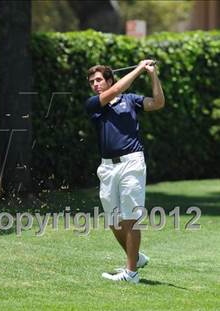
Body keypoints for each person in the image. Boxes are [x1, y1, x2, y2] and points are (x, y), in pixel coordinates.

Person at [85, 60, 165, 284]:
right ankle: (136, 258)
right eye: (92, 82)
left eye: (99, 80)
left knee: (130, 216)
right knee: (113, 219)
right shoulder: (93, 104)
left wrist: (152, 75)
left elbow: (158, 102)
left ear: (108, 79)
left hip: (132, 162)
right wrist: (139, 68)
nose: (95, 85)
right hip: (107, 167)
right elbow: (118, 89)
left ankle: (131, 274)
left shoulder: (131, 101)